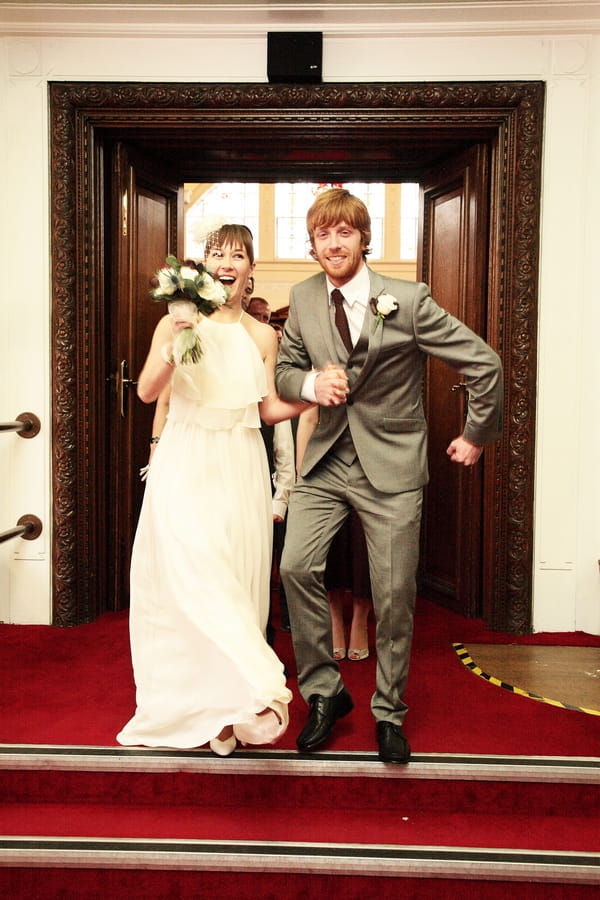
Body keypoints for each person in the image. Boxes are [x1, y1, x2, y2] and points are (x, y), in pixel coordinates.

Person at [275, 188, 503, 764]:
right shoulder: (301, 299)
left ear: (362, 237)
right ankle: (324, 693)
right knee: (296, 566)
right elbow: (283, 372)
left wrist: (476, 434)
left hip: (393, 466)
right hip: (326, 460)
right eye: (323, 234)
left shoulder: (407, 299)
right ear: (313, 243)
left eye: (344, 232)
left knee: (395, 593)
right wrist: (308, 387)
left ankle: (389, 711)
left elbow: (485, 363)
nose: (333, 243)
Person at [117, 226, 312, 757]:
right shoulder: (177, 319)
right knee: (190, 576)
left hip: (240, 462)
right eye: (217, 252)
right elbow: (147, 392)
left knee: (234, 580)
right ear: (203, 266)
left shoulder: (262, 335)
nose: (227, 261)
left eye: (239, 254)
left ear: (251, 271)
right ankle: (240, 686)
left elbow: (267, 408)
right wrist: (178, 337)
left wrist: (312, 395)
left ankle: (226, 709)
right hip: (185, 457)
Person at [297, 405, 372, 660]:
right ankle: (335, 616)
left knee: (365, 545)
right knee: (331, 544)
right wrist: (301, 475)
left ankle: (361, 617)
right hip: (326, 460)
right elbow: (308, 417)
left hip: (371, 460)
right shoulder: (321, 365)